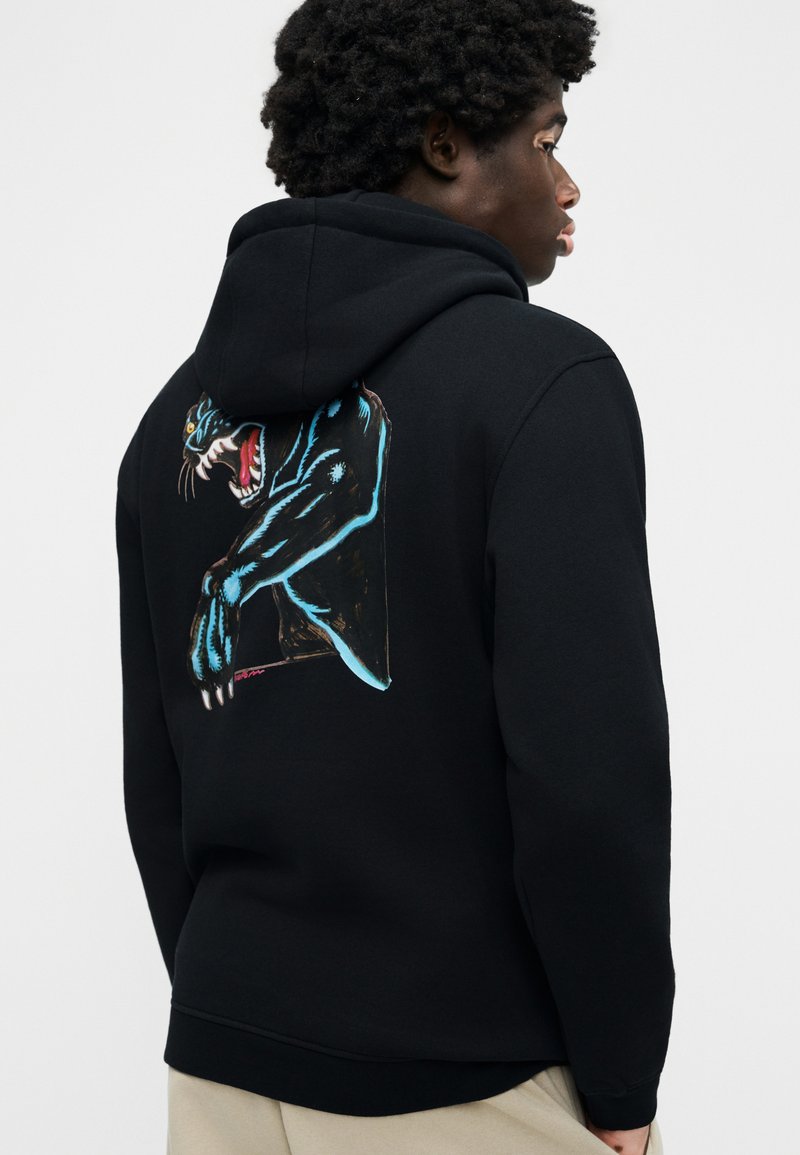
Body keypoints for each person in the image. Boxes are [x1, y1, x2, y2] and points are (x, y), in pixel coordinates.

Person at [115, 2, 675, 1153]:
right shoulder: (542, 382)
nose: (566, 185)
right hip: (463, 1083)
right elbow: (587, 783)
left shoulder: (171, 425)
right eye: (546, 140)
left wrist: (243, 1013)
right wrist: (621, 1084)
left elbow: (157, 778)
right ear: (444, 143)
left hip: (221, 1071)